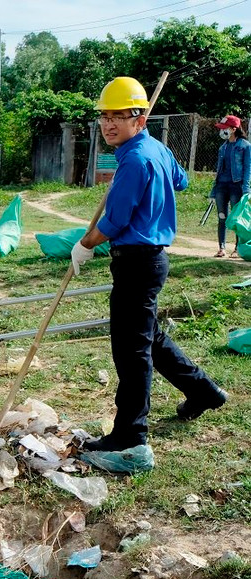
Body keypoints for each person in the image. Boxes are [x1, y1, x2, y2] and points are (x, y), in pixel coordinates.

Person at [70, 76, 228, 452]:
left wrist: (85, 245)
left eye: (118, 117)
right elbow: (181, 181)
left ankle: (130, 434)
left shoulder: (135, 159)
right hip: (150, 261)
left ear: (139, 119)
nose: (109, 124)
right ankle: (203, 391)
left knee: (132, 352)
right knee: (148, 339)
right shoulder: (155, 149)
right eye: (105, 116)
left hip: (137, 263)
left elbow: (114, 222)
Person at [211, 115, 251, 258]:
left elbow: (248, 168)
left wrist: (246, 189)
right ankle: (221, 248)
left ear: (234, 129)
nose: (222, 131)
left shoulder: (245, 146)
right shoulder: (223, 147)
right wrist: (213, 190)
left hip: (237, 186)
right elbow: (219, 170)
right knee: (222, 217)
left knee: (237, 219)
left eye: (224, 128)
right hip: (221, 186)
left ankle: (237, 249)